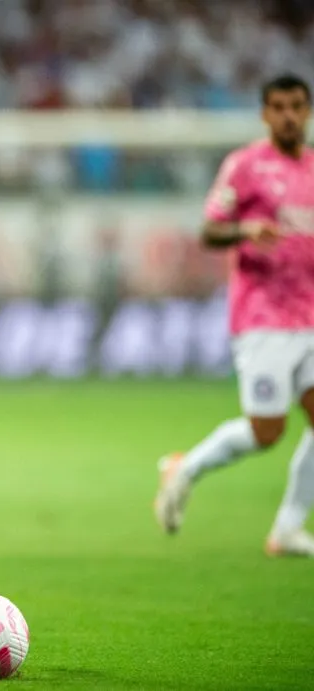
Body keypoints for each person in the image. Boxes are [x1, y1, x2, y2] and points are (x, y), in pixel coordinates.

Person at [155, 74, 314, 557]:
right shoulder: (245, 166)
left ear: (307, 111)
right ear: (265, 114)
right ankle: (184, 468)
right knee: (267, 431)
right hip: (263, 317)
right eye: (279, 107)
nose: (289, 116)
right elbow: (209, 230)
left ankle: (287, 528)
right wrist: (245, 229)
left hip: (310, 314)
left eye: (297, 106)